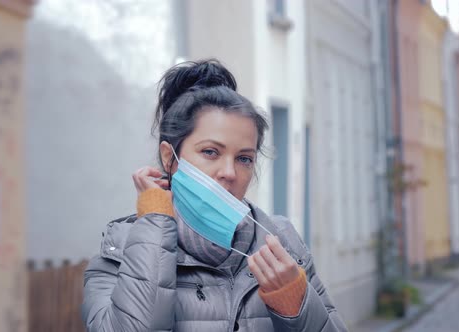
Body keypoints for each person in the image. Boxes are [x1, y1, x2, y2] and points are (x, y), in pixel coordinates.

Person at [81, 59, 347, 332]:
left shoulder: (282, 242)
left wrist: (296, 305)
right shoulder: (119, 249)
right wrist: (155, 220)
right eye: (210, 152)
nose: (229, 172)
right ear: (169, 157)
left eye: (244, 158)